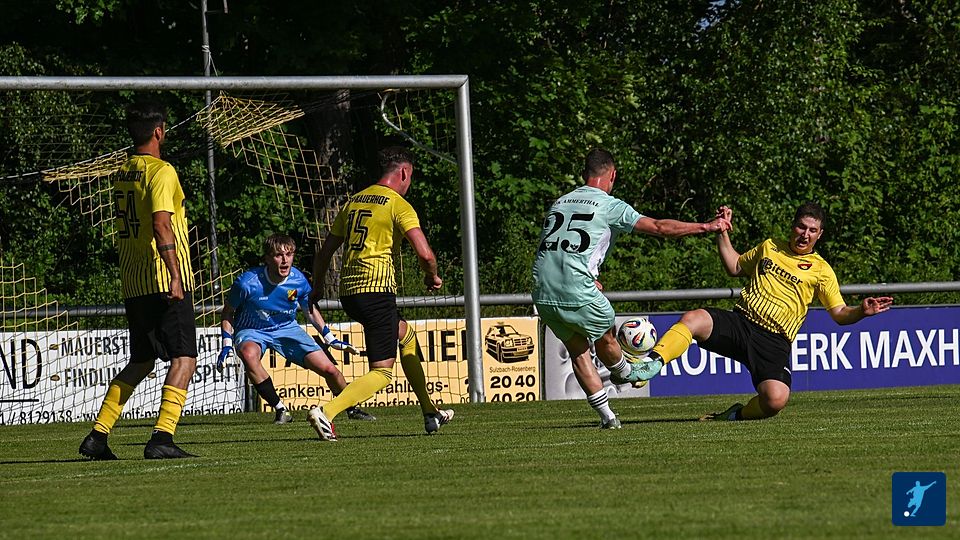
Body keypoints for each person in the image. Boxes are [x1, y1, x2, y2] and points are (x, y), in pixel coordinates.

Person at [633, 203, 895, 420]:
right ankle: (651, 364)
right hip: (741, 323)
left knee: (775, 400)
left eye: (812, 230)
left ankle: (734, 415)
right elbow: (735, 266)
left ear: (820, 234)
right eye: (801, 227)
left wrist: (861, 311)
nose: (805, 234)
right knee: (694, 318)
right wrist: (721, 230)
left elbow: (839, 313)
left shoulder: (821, 270)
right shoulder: (770, 246)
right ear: (793, 226)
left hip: (774, 341)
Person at [532, 148, 731, 429]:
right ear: (613, 175)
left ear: (583, 174)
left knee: (577, 351)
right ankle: (627, 372)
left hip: (542, 289)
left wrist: (584, 275)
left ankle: (608, 418)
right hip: (576, 287)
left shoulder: (560, 202)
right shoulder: (609, 205)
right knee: (606, 334)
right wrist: (706, 227)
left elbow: (556, 247)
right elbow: (659, 227)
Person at [79, 100, 198, 460]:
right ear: (160, 131)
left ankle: (98, 435)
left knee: (142, 361)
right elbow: (162, 225)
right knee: (184, 358)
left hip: (134, 280)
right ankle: (162, 436)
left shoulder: (123, 172)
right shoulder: (161, 171)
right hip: (162, 278)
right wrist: (176, 275)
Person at [308, 146, 453, 441]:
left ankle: (430, 412)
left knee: (406, 335)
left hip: (349, 293)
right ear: (404, 172)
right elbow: (426, 254)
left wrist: (318, 287)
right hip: (376, 290)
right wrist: (432, 276)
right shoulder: (397, 204)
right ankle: (326, 411)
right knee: (383, 373)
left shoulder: (354, 201)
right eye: (411, 176)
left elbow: (324, 253)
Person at [216, 234, 377, 424]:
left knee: (330, 370)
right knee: (248, 354)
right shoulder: (246, 283)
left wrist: (330, 338)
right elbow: (228, 313)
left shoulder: (298, 280)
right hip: (252, 330)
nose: (285, 260)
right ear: (267, 258)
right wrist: (227, 344)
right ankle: (281, 410)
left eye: (289, 254)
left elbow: (310, 310)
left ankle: (352, 409)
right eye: (278, 255)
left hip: (287, 328)